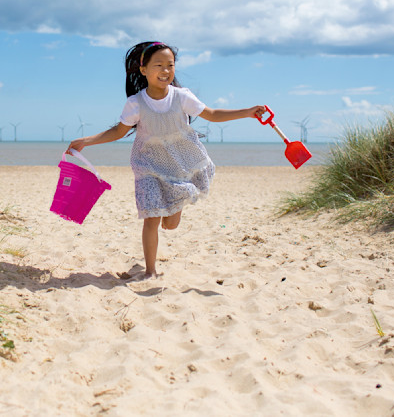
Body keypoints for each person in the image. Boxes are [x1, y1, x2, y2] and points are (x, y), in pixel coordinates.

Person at [67, 41, 266, 280]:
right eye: (158, 65)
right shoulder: (135, 103)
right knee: (151, 218)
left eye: (170, 65)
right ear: (143, 70)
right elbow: (118, 132)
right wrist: (86, 141)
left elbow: (212, 114)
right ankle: (150, 271)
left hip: (179, 164)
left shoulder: (181, 97)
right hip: (147, 166)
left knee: (170, 224)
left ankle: (175, 207)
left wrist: (247, 112)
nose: (165, 70)